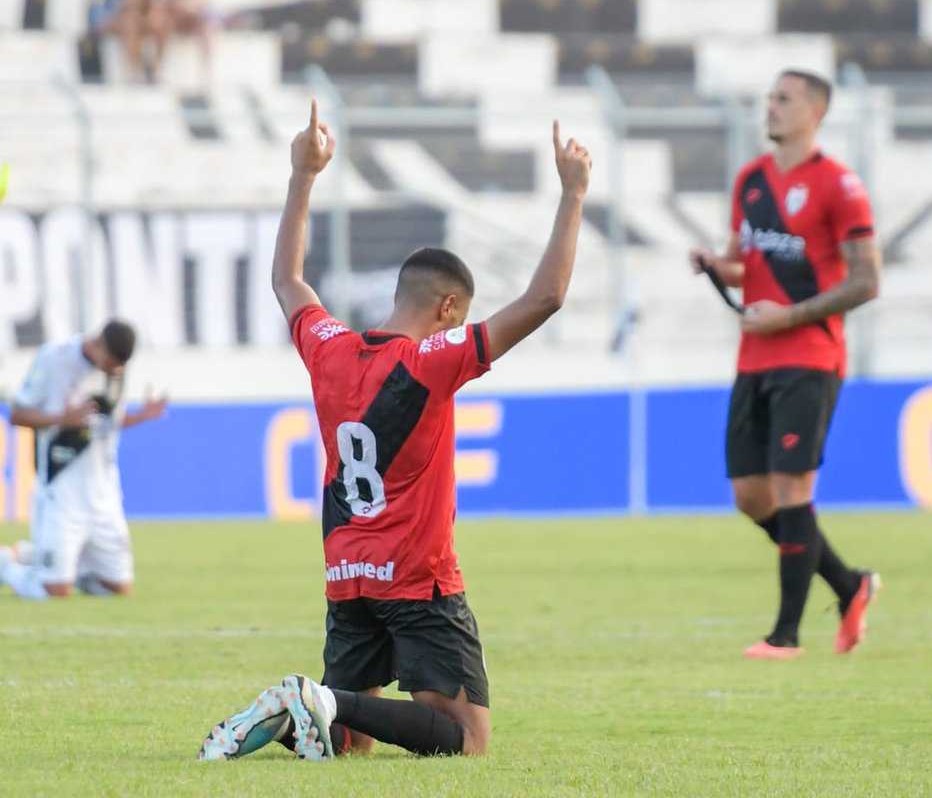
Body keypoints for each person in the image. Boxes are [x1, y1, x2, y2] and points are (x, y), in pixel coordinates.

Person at [198, 100, 591, 761]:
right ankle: (317, 699)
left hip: (347, 574)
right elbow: (545, 298)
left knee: (350, 747)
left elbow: (287, 279)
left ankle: (311, 714)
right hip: (417, 577)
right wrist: (574, 193)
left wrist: (303, 174)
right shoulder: (433, 361)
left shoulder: (328, 346)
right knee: (467, 740)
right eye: (455, 315)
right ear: (447, 308)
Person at [690, 70, 883, 659]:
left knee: (792, 488)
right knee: (752, 496)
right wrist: (713, 267)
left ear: (815, 111)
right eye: (768, 97)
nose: (769, 107)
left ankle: (786, 636)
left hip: (810, 354)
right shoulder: (750, 181)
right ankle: (850, 585)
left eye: (782, 98)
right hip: (755, 356)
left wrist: (789, 315)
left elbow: (867, 280)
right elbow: (743, 262)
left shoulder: (840, 185)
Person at [0, 320, 167, 600]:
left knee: (117, 589)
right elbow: (17, 414)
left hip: (104, 496)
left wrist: (140, 417)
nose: (114, 371)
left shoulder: (115, 369)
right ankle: (5, 565)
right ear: (99, 345)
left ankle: (42, 557)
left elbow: (104, 423)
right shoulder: (54, 358)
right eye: (111, 364)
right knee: (53, 592)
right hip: (61, 492)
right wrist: (61, 420)